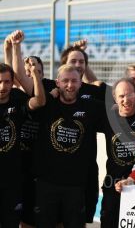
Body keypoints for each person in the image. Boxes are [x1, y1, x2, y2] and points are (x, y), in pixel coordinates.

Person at [33, 64, 106, 227]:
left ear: (81, 83)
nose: (70, 85)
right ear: (57, 83)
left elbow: (119, 104)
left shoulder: (92, 107)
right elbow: (26, 86)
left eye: (74, 81)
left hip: (76, 186)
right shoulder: (46, 104)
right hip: (46, 183)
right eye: (65, 81)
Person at [101, 78, 135, 228]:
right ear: (115, 98)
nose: (126, 100)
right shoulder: (107, 116)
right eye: (121, 96)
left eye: (129, 95)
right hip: (113, 186)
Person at [0, 62, 45, 228]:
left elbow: (39, 101)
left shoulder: (17, 98)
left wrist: (34, 75)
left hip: (12, 181)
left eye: (6, 81)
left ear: (12, 82)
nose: (2, 86)